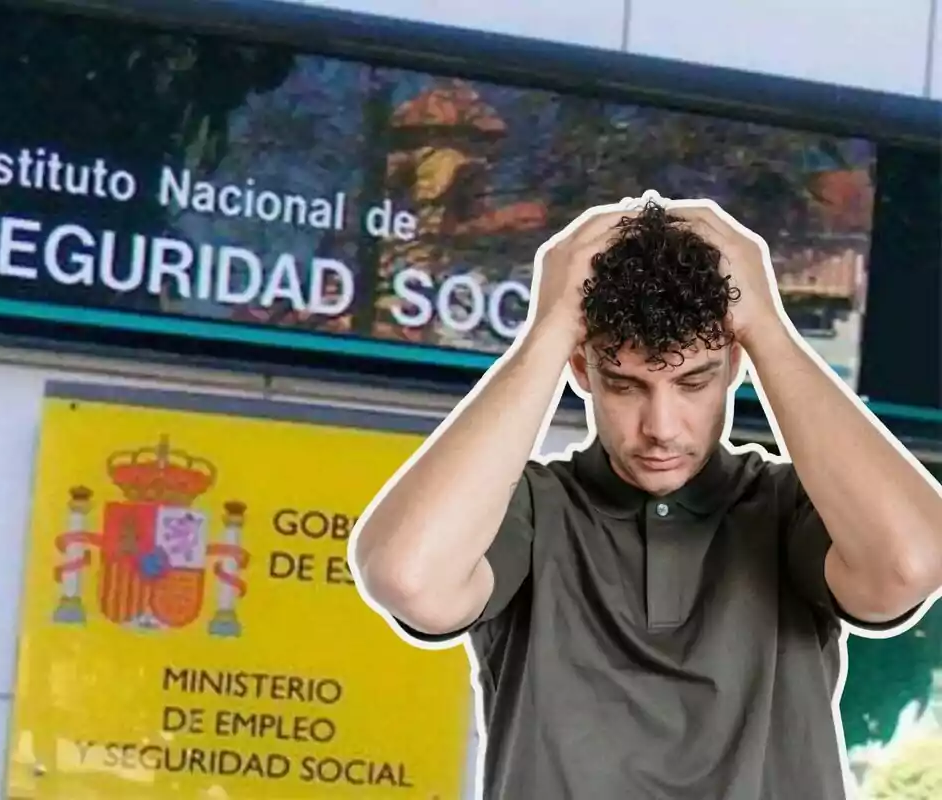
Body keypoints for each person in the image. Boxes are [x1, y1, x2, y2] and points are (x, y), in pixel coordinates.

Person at [351, 194, 942, 800]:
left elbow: (910, 563)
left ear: (737, 364)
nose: (661, 426)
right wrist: (547, 332)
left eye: (693, 381)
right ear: (581, 371)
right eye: (626, 384)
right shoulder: (528, 512)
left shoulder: (789, 506)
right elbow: (409, 578)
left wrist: (768, 327)